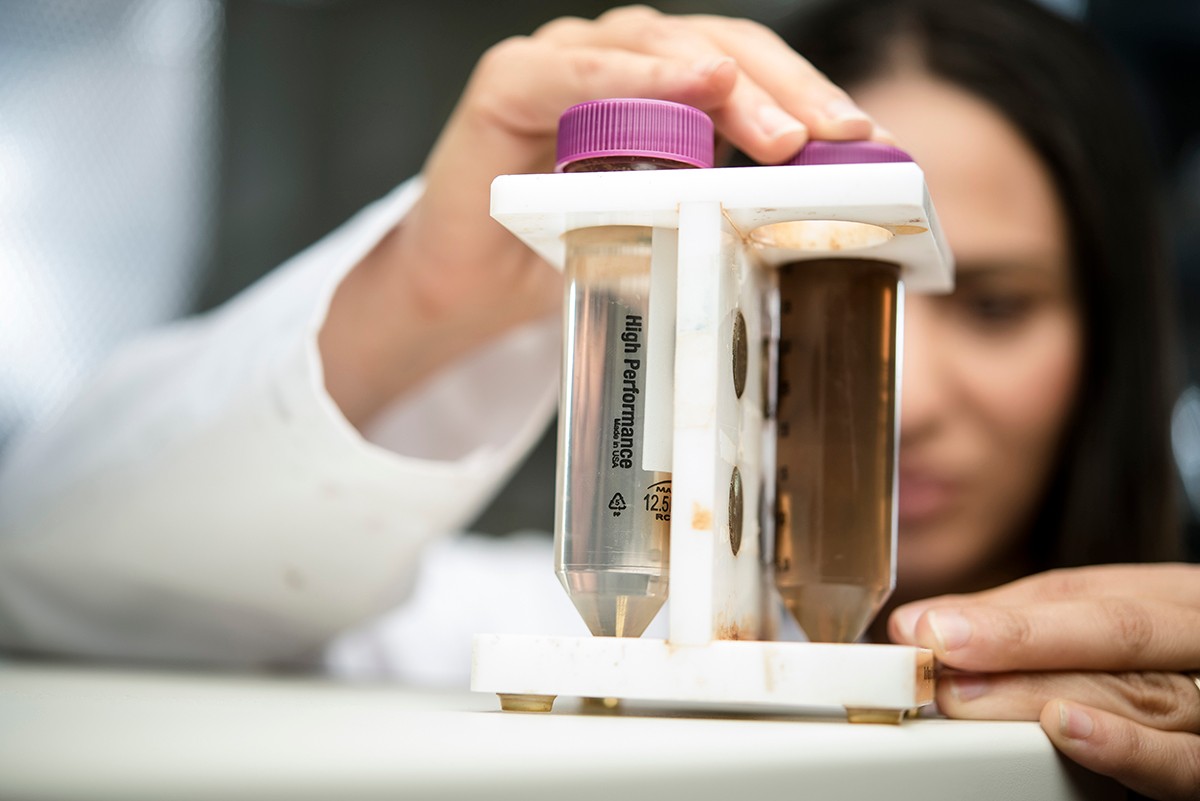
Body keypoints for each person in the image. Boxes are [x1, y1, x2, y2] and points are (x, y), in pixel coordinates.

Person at [0, 0, 1195, 797]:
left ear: (1117, 341)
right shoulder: (608, 615)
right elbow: (55, 583)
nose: (908, 396)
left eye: (994, 305)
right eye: (798, 301)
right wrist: (420, 286)